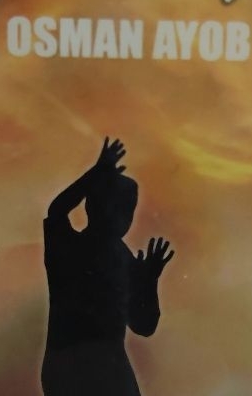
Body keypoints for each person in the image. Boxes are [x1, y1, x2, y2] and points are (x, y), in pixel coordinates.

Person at [41, 138, 175, 396]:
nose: (121, 217)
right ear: (92, 205)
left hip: (109, 363)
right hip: (70, 358)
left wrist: (149, 280)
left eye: (127, 210)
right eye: (114, 206)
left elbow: (144, 325)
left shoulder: (124, 260)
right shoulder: (69, 244)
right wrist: (96, 173)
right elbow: (57, 211)